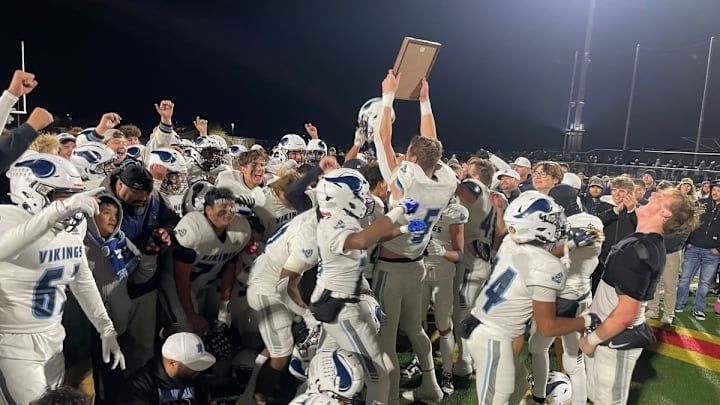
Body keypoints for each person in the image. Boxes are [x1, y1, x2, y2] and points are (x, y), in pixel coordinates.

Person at [0, 153, 125, 404]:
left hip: (54, 336)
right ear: (32, 192)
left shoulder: (71, 227)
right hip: (12, 343)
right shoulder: (8, 219)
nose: (73, 205)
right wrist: (56, 212)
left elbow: (80, 277)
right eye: (64, 196)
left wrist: (105, 327)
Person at [463, 191, 592, 405]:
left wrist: (569, 246)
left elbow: (537, 258)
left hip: (483, 327)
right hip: (493, 338)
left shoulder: (510, 243)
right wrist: (586, 320)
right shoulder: (547, 266)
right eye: (550, 218)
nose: (558, 221)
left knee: (520, 383)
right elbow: (549, 327)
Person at [373, 71, 456, 402]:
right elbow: (430, 147)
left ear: (411, 159)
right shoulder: (445, 181)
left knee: (386, 341)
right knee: (416, 328)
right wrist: (424, 102)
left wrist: (388, 97)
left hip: (391, 268)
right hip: (417, 267)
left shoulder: (406, 181)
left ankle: (389, 397)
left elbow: (382, 140)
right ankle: (431, 385)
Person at [310, 168, 425, 405]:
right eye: (358, 194)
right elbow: (361, 241)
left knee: (331, 366)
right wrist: (399, 210)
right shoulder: (335, 223)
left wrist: (402, 229)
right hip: (341, 307)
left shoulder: (339, 219)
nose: (364, 199)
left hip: (334, 301)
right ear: (342, 197)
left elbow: (369, 237)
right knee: (378, 375)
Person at [580, 188, 702, 405]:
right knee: (595, 395)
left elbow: (626, 314)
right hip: (607, 331)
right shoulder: (644, 241)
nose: (654, 193)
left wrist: (591, 340)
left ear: (664, 214)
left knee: (608, 401)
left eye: (661, 197)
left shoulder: (640, 249)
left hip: (614, 340)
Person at [528, 184, 604, 405]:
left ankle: (540, 396)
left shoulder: (580, 224)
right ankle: (548, 397)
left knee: (545, 349)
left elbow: (557, 249)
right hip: (578, 295)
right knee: (569, 358)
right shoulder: (590, 220)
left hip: (564, 299)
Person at [241, 207, 321, 404]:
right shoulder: (310, 237)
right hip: (269, 289)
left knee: (275, 344)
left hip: (271, 281)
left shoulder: (313, 216)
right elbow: (285, 286)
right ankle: (257, 399)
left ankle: (249, 395)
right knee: (281, 353)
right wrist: (306, 314)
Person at [162, 187, 251, 334]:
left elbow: (229, 267)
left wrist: (224, 306)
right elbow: (180, 278)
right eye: (223, 208)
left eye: (231, 207)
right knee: (189, 329)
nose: (228, 212)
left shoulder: (239, 229)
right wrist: (191, 315)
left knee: (207, 325)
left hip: (204, 283)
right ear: (208, 210)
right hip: (176, 283)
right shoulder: (194, 230)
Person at [118, 332, 216, 404]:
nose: (197, 370)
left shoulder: (194, 378)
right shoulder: (139, 387)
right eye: (193, 365)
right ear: (172, 363)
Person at [675, 181, 720, 320]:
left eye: (718, 191)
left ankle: (698, 309)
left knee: (705, 283)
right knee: (684, 280)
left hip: (712, 252)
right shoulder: (700, 203)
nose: (715, 192)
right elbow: (689, 223)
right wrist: (687, 242)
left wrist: (718, 249)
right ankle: (679, 305)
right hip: (693, 248)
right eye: (714, 189)